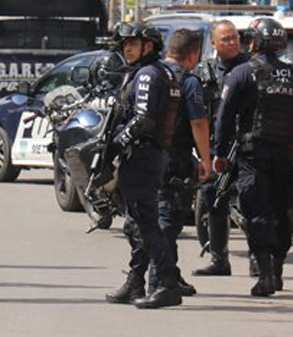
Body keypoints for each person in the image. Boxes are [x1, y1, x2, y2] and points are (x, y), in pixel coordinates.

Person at [212, 16, 293, 297]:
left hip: (253, 157)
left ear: (254, 42)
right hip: (286, 157)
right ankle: (277, 270)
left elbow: (225, 117)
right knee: (283, 213)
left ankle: (266, 276)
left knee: (257, 215)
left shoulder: (241, 73)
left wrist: (220, 153)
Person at [103, 23, 183, 309]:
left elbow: (142, 120)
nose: (127, 49)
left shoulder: (149, 74)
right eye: (125, 44)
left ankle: (167, 283)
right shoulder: (157, 72)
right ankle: (136, 280)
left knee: (147, 224)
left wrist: (115, 145)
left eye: (133, 44)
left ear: (148, 46)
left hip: (142, 157)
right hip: (149, 155)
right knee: (136, 224)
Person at [149, 28, 211, 303]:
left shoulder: (150, 74)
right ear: (194, 54)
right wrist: (206, 159)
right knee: (168, 219)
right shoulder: (189, 81)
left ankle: (169, 274)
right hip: (176, 157)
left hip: (148, 155)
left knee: (158, 215)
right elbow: (198, 122)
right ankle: (159, 279)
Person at [193, 20, 249, 277]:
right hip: (218, 147)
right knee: (214, 200)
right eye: (225, 39)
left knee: (253, 203)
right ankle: (219, 260)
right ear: (214, 43)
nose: (232, 42)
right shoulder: (205, 73)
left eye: (235, 37)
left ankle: (259, 261)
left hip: (249, 146)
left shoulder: (252, 68)